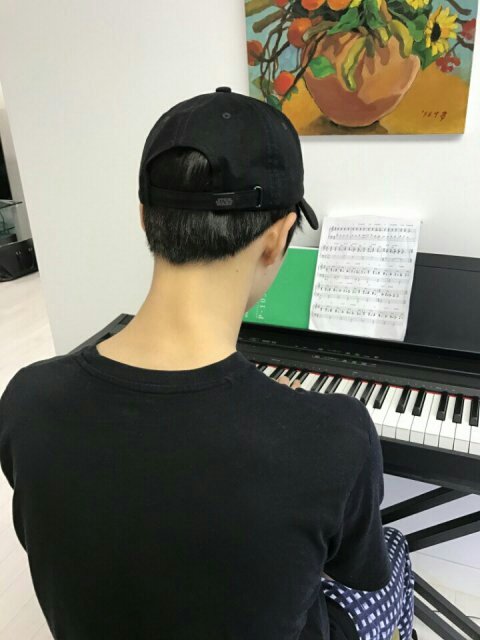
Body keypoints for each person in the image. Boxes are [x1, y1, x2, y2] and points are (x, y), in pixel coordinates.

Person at [0, 87, 414, 640]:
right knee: (394, 550)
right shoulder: (336, 436)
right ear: (277, 238)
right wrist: (295, 427)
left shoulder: (26, 400)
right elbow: (359, 573)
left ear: (145, 218)